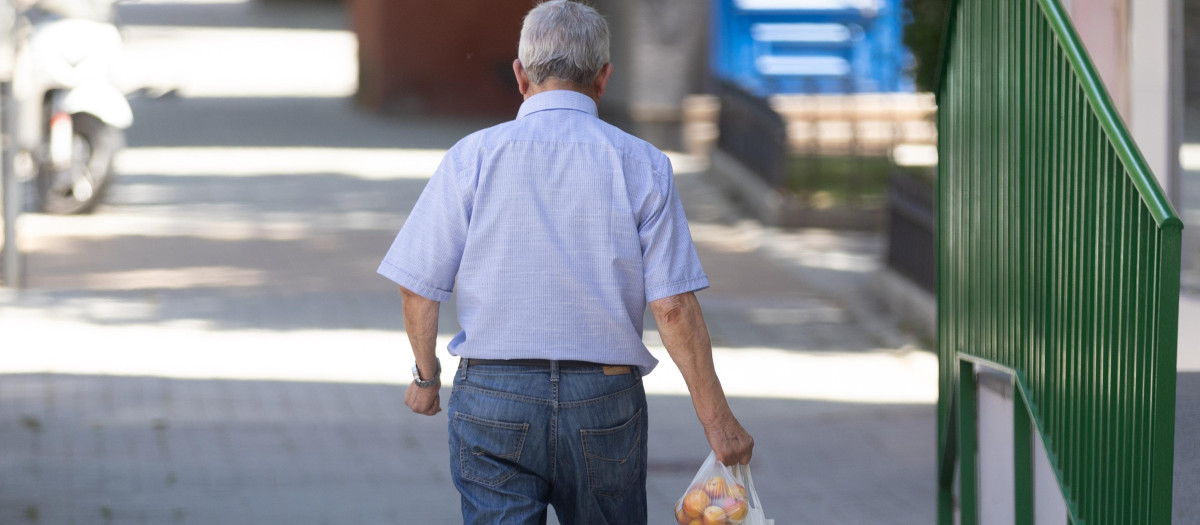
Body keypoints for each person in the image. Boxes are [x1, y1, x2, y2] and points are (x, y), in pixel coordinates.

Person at [377, 1, 753, 523]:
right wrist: (718, 422)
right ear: (603, 78)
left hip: (493, 395)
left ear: (520, 75)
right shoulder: (643, 162)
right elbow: (672, 307)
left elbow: (418, 286)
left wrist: (425, 377)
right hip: (604, 399)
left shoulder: (473, 156)